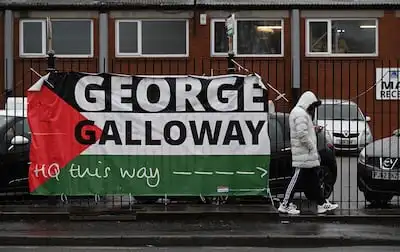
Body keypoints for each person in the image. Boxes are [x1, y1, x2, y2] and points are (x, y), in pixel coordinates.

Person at [278, 91, 338, 215]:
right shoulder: (300, 114)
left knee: (314, 180)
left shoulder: (300, 113)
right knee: (296, 178)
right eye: (312, 106)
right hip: (304, 154)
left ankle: (322, 204)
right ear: (308, 103)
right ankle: (285, 204)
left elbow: (303, 130)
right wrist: (311, 147)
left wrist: (313, 129)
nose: (313, 109)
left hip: (305, 154)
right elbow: (302, 134)